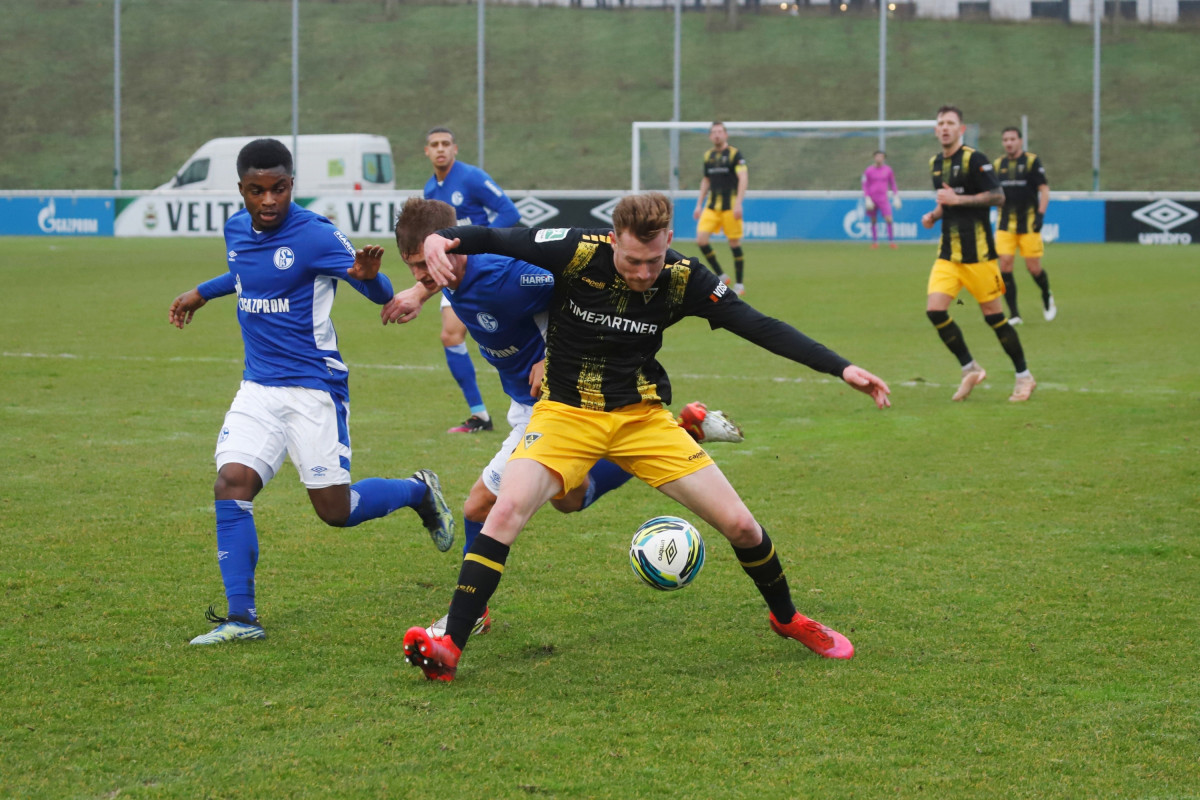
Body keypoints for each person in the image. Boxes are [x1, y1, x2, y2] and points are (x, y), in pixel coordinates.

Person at [401, 192, 891, 682]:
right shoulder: (577, 250)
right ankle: (450, 647)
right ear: (613, 240)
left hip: (641, 419)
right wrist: (443, 240)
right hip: (565, 415)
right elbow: (497, 238)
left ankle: (788, 619)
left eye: (653, 261)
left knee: (742, 526)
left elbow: (759, 326)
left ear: (669, 241)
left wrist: (841, 367)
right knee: (505, 510)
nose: (642, 273)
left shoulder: (684, 277)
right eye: (632, 261)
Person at [383, 197, 745, 638]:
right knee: (569, 500)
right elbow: (453, 275)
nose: (423, 272)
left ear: (451, 247)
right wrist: (421, 290)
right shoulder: (453, 269)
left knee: (479, 505)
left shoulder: (508, 273)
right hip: (527, 402)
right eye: (414, 265)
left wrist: (553, 354)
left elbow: (580, 279)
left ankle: (471, 614)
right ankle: (686, 430)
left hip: (556, 402)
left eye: (427, 263)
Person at [168, 139, 455, 646]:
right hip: (258, 387)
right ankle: (242, 617)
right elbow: (246, 269)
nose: (268, 200)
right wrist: (201, 293)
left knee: (335, 511)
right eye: (256, 190)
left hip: (313, 389)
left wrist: (369, 278)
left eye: (278, 188)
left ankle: (418, 491)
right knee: (231, 483)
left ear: (291, 185)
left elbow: (375, 288)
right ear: (241, 190)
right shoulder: (235, 229)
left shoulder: (316, 234)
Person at [921, 106, 1036, 403]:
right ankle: (969, 368)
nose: (945, 127)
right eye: (940, 123)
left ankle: (1024, 376)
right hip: (948, 255)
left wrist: (958, 199)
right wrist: (934, 214)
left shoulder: (975, 159)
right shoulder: (936, 163)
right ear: (936, 130)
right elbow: (946, 201)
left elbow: (998, 196)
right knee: (935, 311)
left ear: (961, 129)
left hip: (980, 256)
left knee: (994, 317)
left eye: (950, 123)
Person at [422, 126, 522, 434]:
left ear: (455, 149)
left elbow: (509, 212)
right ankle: (479, 415)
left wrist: (484, 242)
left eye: (446, 143)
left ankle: (535, 405)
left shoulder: (472, 177)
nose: (440, 149)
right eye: (434, 144)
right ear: (427, 151)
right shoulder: (430, 189)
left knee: (509, 335)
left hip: (485, 268)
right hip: (454, 272)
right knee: (451, 336)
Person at [994, 127, 1055, 325]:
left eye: (1012, 139)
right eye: (1005, 140)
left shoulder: (1031, 161)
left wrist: (1040, 215)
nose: (1009, 143)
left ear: (1020, 141)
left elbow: (1044, 190)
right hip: (1005, 225)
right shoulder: (998, 165)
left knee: (1034, 268)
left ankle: (1046, 294)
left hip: (1028, 224)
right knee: (1004, 266)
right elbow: (992, 192)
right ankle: (1014, 314)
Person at [692, 121, 749, 296]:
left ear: (725, 135)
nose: (717, 135)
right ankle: (721, 275)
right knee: (701, 240)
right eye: (714, 132)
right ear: (711, 136)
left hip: (730, 206)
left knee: (734, 243)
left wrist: (739, 203)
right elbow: (706, 180)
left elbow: (743, 177)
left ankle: (739, 284)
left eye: (720, 132)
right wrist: (699, 204)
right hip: (711, 206)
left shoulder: (734, 154)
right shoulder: (708, 156)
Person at [862, 150, 900, 249]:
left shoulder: (888, 170)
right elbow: (865, 185)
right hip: (872, 198)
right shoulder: (868, 170)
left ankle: (891, 241)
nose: (879, 158)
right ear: (874, 157)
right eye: (877, 156)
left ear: (884, 158)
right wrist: (867, 197)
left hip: (883, 198)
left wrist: (896, 195)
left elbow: (892, 183)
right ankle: (875, 242)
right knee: (873, 220)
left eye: (881, 156)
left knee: (889, 219)